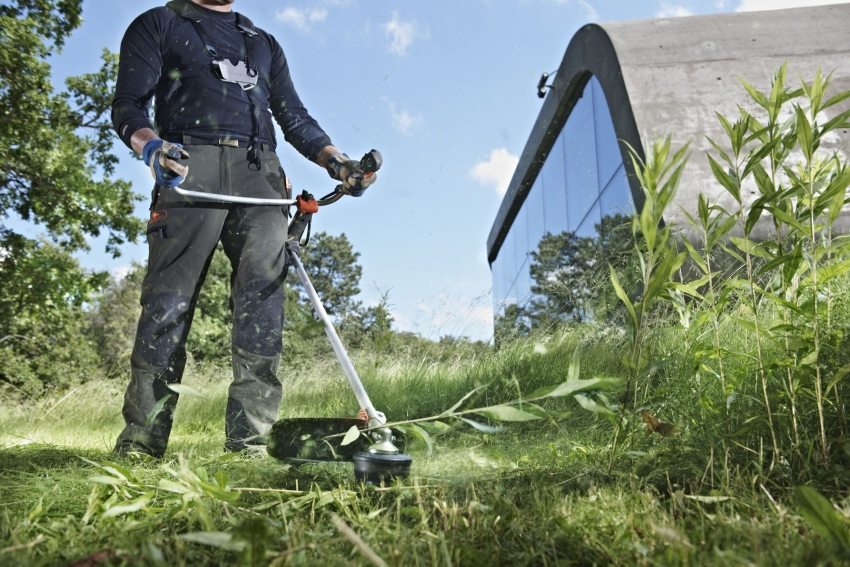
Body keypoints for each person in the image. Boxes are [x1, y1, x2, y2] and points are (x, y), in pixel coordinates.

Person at [111, 0, 376, 457]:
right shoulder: (160, 23)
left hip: (260, 173)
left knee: (263, 307)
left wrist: (338, 162)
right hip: (189, 165)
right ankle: (142, 441)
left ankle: (251, 441)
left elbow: (292, 115)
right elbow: (128, 105)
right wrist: (153, 149)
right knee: (167, 306)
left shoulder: (262, 43)